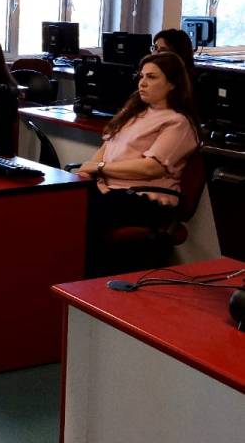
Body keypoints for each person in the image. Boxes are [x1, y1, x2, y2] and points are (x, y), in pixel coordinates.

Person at [77, 51, 199, 275]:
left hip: (145, 199)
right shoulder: (134, 112)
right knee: (63, 200)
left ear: (172, 84)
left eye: (151, 77)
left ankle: (86, 279)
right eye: (141, 76)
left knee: (84, 213)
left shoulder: (177, 122)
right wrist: (86, 172)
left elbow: (150, 168)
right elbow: (106, 148)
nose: (142, 83)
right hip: (112, 191)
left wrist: (100, 168)